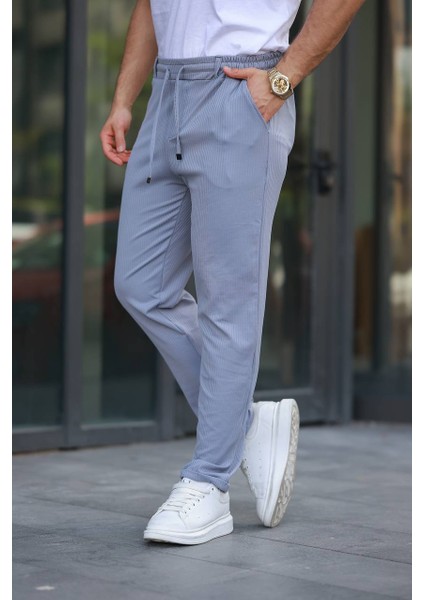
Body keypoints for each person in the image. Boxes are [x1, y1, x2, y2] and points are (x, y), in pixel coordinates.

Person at [100, 0, 365, 545]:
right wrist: (125, 98)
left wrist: (281, 81)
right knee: (141, 284)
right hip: (167, 94)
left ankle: (210, 482)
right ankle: (243, 423)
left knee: (229, 303)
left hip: (242, 88)